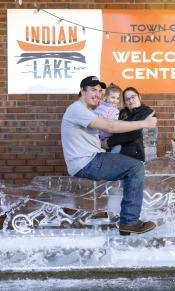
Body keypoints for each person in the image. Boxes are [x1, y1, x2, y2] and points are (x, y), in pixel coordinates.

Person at [61, 76, 157, 235]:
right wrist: (145, 123)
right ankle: (130, 222)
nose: (97, 94)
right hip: (87, 161)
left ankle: (127, 226)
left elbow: (110, 125)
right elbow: (110, 126)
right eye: (93, 90)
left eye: (100, 91)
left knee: (131, 165)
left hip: (91, 158)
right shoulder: (76, 109)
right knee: (136, 167)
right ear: (82, 91)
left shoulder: (88, 111)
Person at [102, 87, 154, 162]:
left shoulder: (147, 112)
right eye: (127, 99)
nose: (131, 101)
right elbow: (116, 128)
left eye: (133, 97)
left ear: (139, 97)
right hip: (118, 154)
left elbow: (133, 133)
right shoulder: (122, 112)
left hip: (135, 157)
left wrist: (108, 143)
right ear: (125, 102)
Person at [95, 83, 122, 153]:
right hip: (99, 136)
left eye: (117, 98)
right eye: (113, 97)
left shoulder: (115, 109)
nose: (115, 100)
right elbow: (100, 122)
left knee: (118, 147)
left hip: (109, 136)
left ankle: (111, 160)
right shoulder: (101, 107)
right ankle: (110, 160)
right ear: (106, 96)